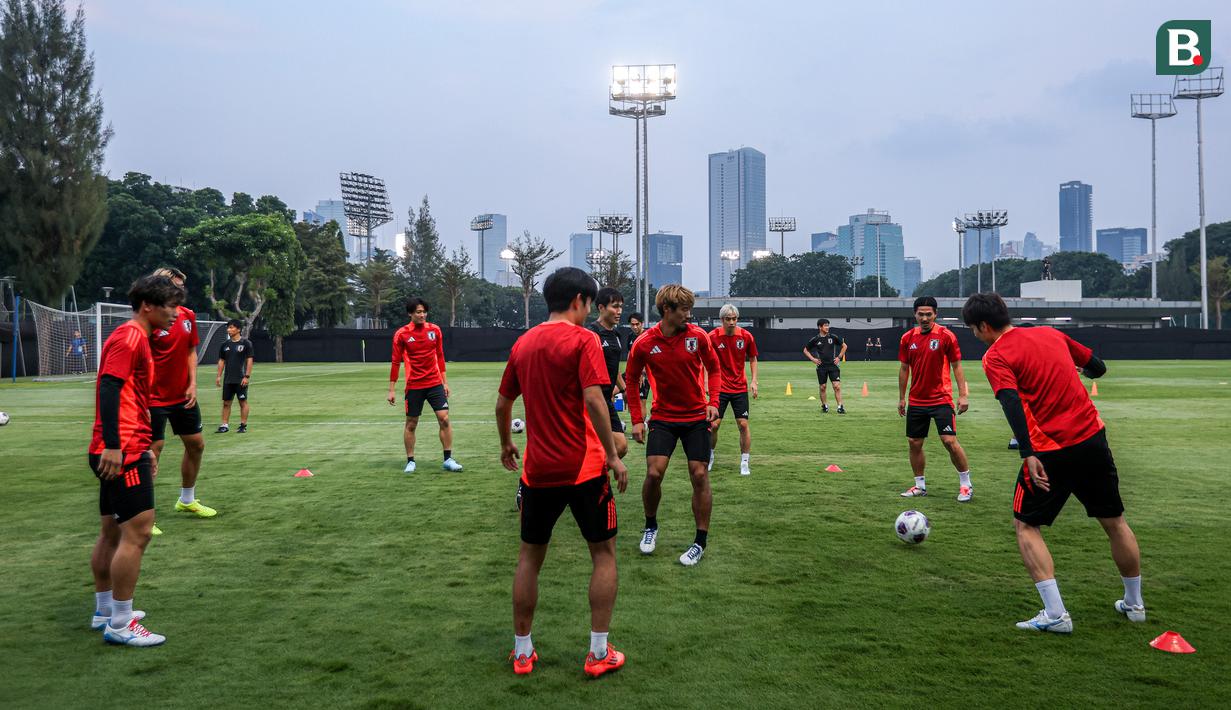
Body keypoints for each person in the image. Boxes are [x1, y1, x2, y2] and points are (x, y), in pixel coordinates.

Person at [963, 292, 1144, 634]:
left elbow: (1010, 402)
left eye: (973, 329)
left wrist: (1027, 452)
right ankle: (1135, 605)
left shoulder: (995, 355)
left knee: (1026, 525)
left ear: (984, 326)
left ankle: (1056, 614)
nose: (975, 335)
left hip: (1050, 450)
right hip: (1093, 439)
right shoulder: (1050, 333)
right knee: (1115, 523)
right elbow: (1098, 368)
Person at [496, 267, 629, 677]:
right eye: (590, 303)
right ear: (579, 301)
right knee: (603, 555)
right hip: (585, 468)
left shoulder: (524, 342)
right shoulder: (584, 339)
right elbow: (594, 398)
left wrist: (506, 443)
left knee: (529, 559)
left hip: (537, 471)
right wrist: (612, 454)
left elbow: (503, 406)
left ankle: (522, 652)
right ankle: (597, 652)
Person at [88, 274, 181, 646]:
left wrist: (142, 446)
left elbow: (130, 395)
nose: (176, 313)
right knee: (137, 533)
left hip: (125, 446)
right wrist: (117, 446)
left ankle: (104, 611)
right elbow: (110, 387)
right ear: (148, 306)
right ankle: (121, 625)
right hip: (119, 450)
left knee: (111, 532)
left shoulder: (137, 336)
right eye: (171, 306)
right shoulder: (130, 337)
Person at [625, 284, 720, 566]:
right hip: (663, 418)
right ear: (667, 310)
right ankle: (650, 526)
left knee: (700, 474)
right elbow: (630, 380)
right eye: (684, 310)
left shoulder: (698, 336)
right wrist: (635, 420)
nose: (688, 315)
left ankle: (699, 542)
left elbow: (714, 369)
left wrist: (713, 400)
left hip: (695, 417)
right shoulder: (644, 342)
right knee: (654, 474)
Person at [147, 267, 214, 524]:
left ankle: (186, 500)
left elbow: (190, 351)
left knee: (196, 444)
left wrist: (193, 384)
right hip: (152, 398)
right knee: (153, 451)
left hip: (182, 396)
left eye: (181, 287)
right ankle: (143, 515)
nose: (179, 292)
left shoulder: (187, 316)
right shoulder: (150, 319)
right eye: (174, 285)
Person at [897, 296, 974, 502]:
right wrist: (902, 398)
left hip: (941, 398)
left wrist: (963, 395)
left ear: (935, 314)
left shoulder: (946, 336)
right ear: (915, 315)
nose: (924, 318)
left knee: (949, 441)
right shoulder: (907, 338)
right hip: (917, 401)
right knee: (914, 442)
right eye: (921, 314)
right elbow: (904, 369)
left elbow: (957, 366)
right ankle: (920, 486)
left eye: (928, 314)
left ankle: (966, 485)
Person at [388, 298, 462, 473]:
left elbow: (440, 356)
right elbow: (395, 362)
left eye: (424, 312)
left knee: (444, 418)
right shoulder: (402, 334)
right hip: (414, 385)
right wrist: (391, 389)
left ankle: (448, 459)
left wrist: (445, 382)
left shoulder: (434, 330)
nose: (422, 315)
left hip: (435, 383)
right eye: (418, 312)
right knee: (412, 423)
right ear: (410, 314)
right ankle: (411, 461)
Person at [707, 304, 758, 476]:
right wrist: (705, 383)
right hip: (718, 388)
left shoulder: (746, 336)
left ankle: (744, 462)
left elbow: (753, 358)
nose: (731, 322)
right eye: (728, 319)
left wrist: (754, 381)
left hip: (739, 387)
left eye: (734, 319)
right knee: (714, 425)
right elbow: (702, 360)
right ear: (721, 320)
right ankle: (710, 456)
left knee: (743, 424)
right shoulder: (712, 337)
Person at [590, 288, 629, 459]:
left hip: (607, 399)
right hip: (594, 400)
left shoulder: (617, 334)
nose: (619, 311)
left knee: (620, 446)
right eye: (614, 306)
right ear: (601, 308)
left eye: (620, 306)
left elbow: (614, 368)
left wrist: (624, 389)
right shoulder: (592, 333)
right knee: (614, 445)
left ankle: (594, 480)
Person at [215, 320, 254, 433]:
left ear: (238, 329)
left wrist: (246, 376)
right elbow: (222, 361)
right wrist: (218, 376)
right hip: (228, 380)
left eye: (231, 327)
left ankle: (243, 425)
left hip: (241, 379)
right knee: (226, 403)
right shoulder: (225, 345)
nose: (228, 330)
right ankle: (224, 425)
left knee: (243, 402)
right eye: (228, 328)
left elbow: (250, 360)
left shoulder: (246, 343)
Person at [803, 318, 847, 414]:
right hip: (821, 367)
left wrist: (839, 357)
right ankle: (824, 405)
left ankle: (840, 406)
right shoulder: (815, 339)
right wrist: (813, 359)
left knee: (837, 386)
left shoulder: (833, 337)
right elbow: (805, 350)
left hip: (833, 366)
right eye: (825, 325)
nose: (827, 327)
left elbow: (844, 346)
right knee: (823, 387)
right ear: (820, 327)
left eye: (828, 325)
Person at [624, 312, 650, 421]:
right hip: (632, 373)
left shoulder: (648, 336)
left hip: (645, 374)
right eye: (632, 324)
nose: (634, 327)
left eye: (637, 324)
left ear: (642, 323)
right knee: (616, 391)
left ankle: (642, 424)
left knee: (641, 401)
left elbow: (649, 357)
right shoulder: (630, 336)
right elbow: (630, 354)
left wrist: (642, 373)